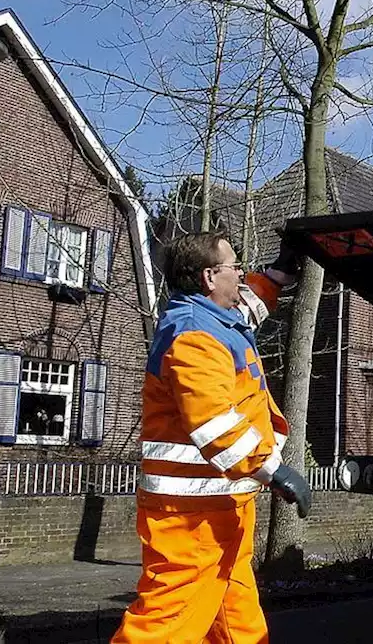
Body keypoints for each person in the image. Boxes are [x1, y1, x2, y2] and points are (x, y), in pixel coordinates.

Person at [112, 231, 312, 644]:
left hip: (220, 504)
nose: (241, 273)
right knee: (168, 623)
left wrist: (275, 275)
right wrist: (272, 470)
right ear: (208, 276)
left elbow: (247, 308)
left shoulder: (213, 320)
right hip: (191, 516)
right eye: (234, 266)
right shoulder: (195, 337)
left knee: (236, 621)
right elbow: (214, 422)